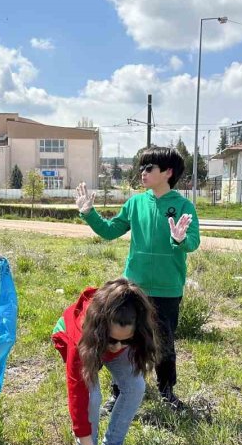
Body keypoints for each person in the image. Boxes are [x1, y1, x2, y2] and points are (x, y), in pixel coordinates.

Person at [74, 146, 200, 410]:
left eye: (149, 168)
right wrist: (89, 213)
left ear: (168, 172)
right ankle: (119, 391)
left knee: (164, 343)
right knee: (124, 340)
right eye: (141, 167)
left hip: (167, 289)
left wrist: (179, 239)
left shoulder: (183, 206)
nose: (142, 172)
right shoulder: (135, 203)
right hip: (133, 288)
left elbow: (193, 242)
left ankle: (166, 392)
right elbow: (110, 231)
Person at [51, 279, 159, 445]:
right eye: (112, 340)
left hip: (99, 340)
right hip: (82, 341)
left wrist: (121, 343)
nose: (117, 347)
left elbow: (122, 345)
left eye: (126, 341)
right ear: (102, 329)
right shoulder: (80, 337)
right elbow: (78, 397)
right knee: (92, 397)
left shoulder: (132, 326)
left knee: (136, 387)